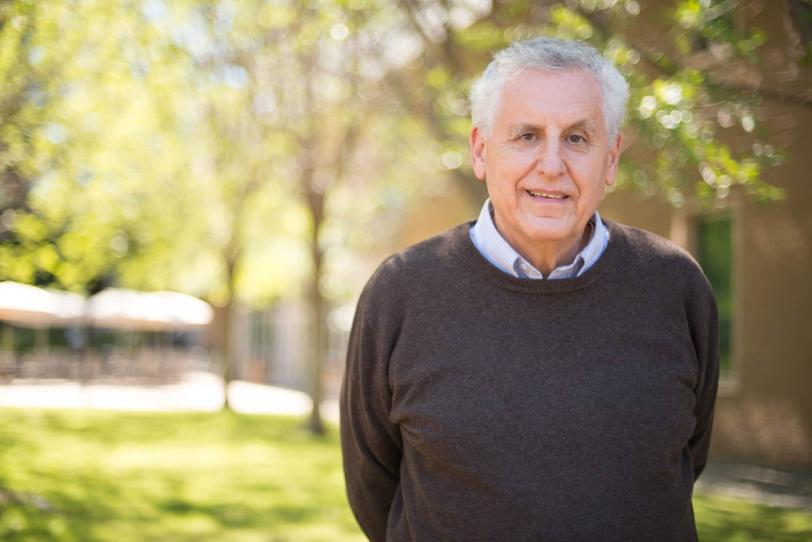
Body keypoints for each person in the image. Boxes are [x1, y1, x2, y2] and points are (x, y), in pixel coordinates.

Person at [340, 37, 719, 542]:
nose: (552, 164)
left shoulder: (676, 285)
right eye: (526, 136)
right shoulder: (400, 293)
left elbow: (684, 460)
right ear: (480, 150)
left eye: (578, 139)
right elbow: (374, 488)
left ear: (610, 158)